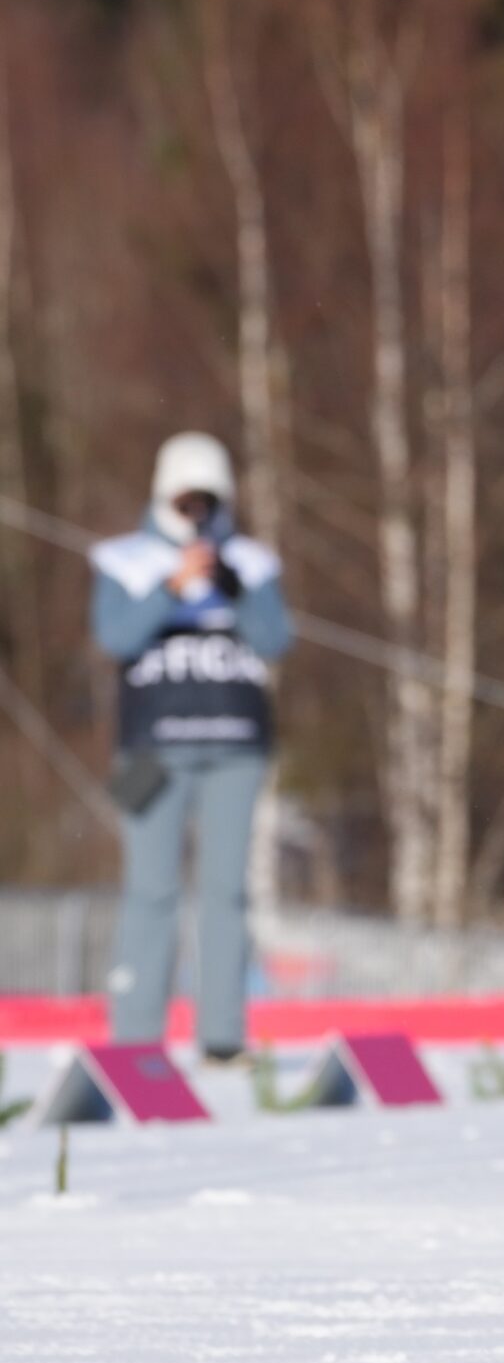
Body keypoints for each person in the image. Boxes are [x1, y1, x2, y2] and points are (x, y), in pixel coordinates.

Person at [87, 432, 292, 1061]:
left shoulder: (252, 563)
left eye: (206, 498)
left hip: (236, 745)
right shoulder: (124, 559)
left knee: (226, 891)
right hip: (149, 748)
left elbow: (275, 639)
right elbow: (115, 638)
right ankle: (136, 1037)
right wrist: (171, 589)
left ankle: (223, 1036)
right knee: (150, 889)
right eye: (185, 498)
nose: (195, 509)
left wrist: (231, 586)